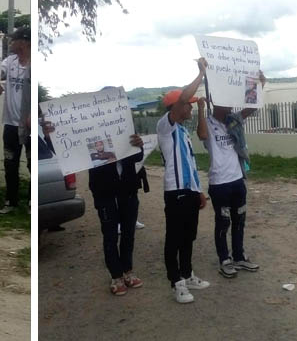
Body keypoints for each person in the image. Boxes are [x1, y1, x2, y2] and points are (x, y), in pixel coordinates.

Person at [197, 72, 265, 278]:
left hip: (237, 180)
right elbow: (201, 135)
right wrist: (200, 109)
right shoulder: (207, 123)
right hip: (219, 183)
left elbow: (251, 107)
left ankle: (239, 256)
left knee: (239, 220)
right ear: (217, 104)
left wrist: (260, 84)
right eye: (226, 103)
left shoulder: (233, 120)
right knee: (223, 222)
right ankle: (224, 260)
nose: (230, 107)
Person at [157, 58, 211, 304]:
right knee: (174, 238)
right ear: (175, 108)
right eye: (188, 106)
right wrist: (200, 74)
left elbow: (190, 165)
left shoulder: (183, 132)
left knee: (189, 236)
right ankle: (176, 282)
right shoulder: (165, 127)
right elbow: (182, 99)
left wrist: (199, 191)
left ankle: (188, 274)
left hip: (188, 191)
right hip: (175, 192)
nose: (189, 109)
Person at [88, 134, 146, 296]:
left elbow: (138, 157)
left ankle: (128, 270)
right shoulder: (89, 130)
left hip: (128, 189)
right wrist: (51, 137)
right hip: (104, 193)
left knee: (129, 233)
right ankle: (116, 276)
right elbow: (70, 155)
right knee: (110, 235)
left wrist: (139, 145)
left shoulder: (123, 126)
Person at [0, 27, 30, 215]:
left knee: (32, 164)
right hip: (10, 124)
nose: (11, 44)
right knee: (10, 163)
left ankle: (31, 203)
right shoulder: (9, 62)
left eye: (14, 40)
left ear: (24, 42)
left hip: (29, 126)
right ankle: (11, 201)